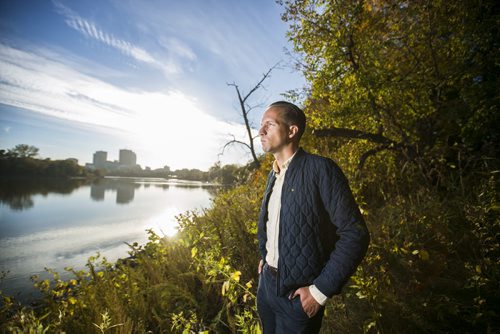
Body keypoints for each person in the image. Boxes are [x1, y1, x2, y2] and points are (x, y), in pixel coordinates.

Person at [256, 101, 370, 333]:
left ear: (292, 130)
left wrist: (319, 292)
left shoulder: (321, 169)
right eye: (261, 125)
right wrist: (266, 256)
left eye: (269, 124)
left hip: (296, 298)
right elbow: (274, 224)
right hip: (266, 288)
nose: (261, 131)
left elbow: (355, 235)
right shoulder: (273, 175)